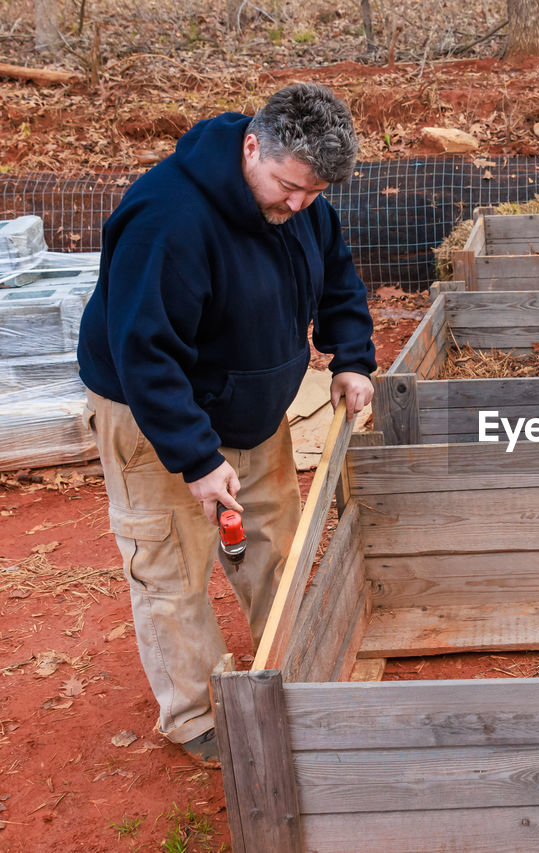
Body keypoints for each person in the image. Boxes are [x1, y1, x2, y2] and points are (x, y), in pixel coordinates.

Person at [77, 83, 376, 764]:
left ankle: (291, 665)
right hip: (154, 415)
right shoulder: (166, 219)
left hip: (253, 405)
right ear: (251, 146)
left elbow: (336, 275)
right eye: (288, 187)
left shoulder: (301, 204)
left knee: (274, 538)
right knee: (169, 561)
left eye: (313, 193)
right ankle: (199, 714)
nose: (297, 205)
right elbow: (145, 354)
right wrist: (195, 456)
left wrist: (351, 357)